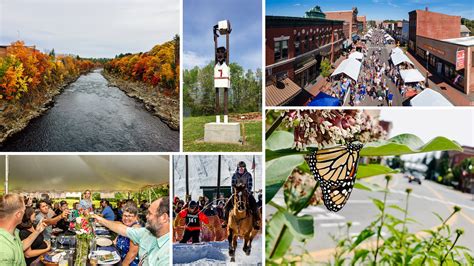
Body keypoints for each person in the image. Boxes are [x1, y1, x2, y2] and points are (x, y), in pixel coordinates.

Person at [92, 197, 170, 266]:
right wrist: (98, 218)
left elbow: (131, 255)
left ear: (163, 217)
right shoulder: (145, 232)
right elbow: (120, 228)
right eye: (125, 215)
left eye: (150, 213)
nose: (146, 216)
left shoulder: (167, 255)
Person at [0, 193, 47, 265]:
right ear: (18, 214)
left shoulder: (13, 231)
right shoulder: (3, 248)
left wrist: (37, 231)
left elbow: (20, 247)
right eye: (24, 211)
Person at [222, 161, 260, 230]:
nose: (241, 169)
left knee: (254, 205)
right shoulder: (234, 175)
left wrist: (246, 192)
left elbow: (250, 185)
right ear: (238, 168)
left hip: (246, 193)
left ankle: (256, 221)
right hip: (236, 193)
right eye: (240, 168)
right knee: (226, 206)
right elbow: (232, 185)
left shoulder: (248, 175)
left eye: (243, 167)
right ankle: (225, 220)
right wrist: (234, 193)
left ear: (245, 168)